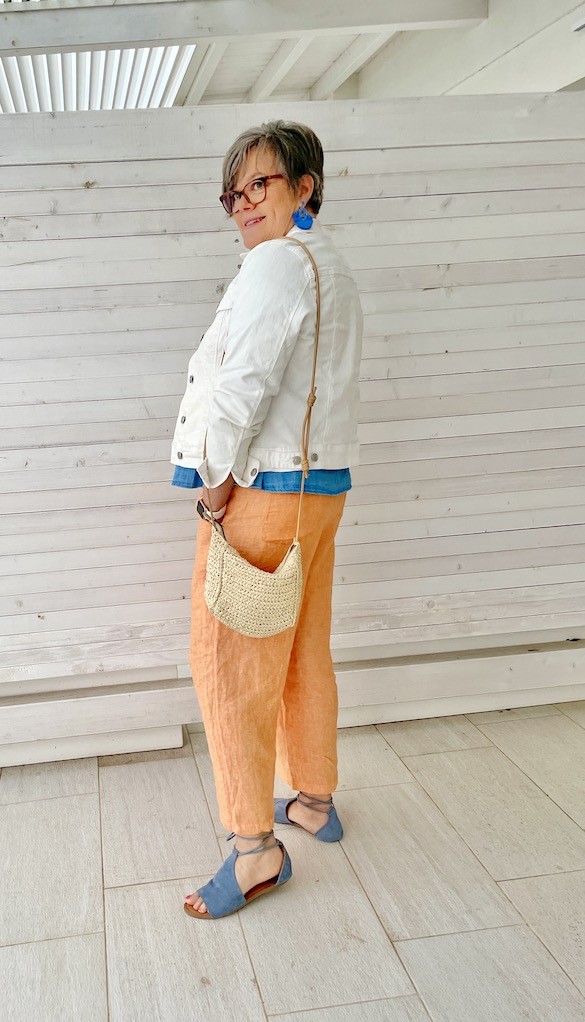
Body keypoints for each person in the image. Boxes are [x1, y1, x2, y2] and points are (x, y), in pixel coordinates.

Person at [171, 119, 363, 919]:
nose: (245, 202)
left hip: (268, 494)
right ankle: (314, 797)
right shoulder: (332, 265)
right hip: (321, 492)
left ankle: (254, 849)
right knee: (300, 645)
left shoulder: (274, 267)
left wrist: (214, 488)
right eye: (234, 191)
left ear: (304, 185)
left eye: (263, 184)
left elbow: (237, 390)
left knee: (225, 659)